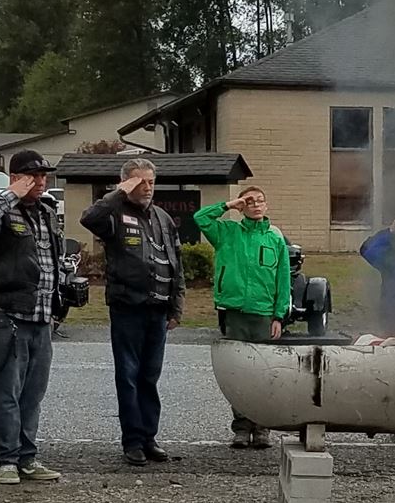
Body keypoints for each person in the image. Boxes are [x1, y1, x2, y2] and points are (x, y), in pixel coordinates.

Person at [0, 148, 70, 487]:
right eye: (33, 176)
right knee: (4, 393)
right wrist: (11, 194)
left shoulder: (47, 213)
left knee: (32, 395)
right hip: (2, 318)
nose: (40, 182)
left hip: (41, 318)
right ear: (15, 177)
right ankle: (6, 460)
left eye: (43, 176)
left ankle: (27, 458)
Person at [84, 157, 185, 466]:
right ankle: (132, 441)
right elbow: (89, 218)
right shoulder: (113, 212)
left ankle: (149, 437)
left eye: (151, 182)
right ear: (127, 183)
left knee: (149, 377)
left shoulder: (163, 218)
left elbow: (176, 263)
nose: (147, 188)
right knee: (128, 376)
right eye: (140, 182)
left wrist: (176, 306)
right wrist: (118, 192)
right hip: (128, 308)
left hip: (158, 310)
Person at [196, 185, 292, 448]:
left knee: (264, 373)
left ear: (267, 205)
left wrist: (278, 316)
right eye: (249, 201)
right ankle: (241, 427)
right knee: (238, 372)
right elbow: (200, 218)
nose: (256, 205)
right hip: (234, 312)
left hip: (262, 314)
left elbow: (282, 280)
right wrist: (228, 206)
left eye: (260, 200)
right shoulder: (227, 232)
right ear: (242, 206)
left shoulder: (275, 238)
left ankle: (262, 428)